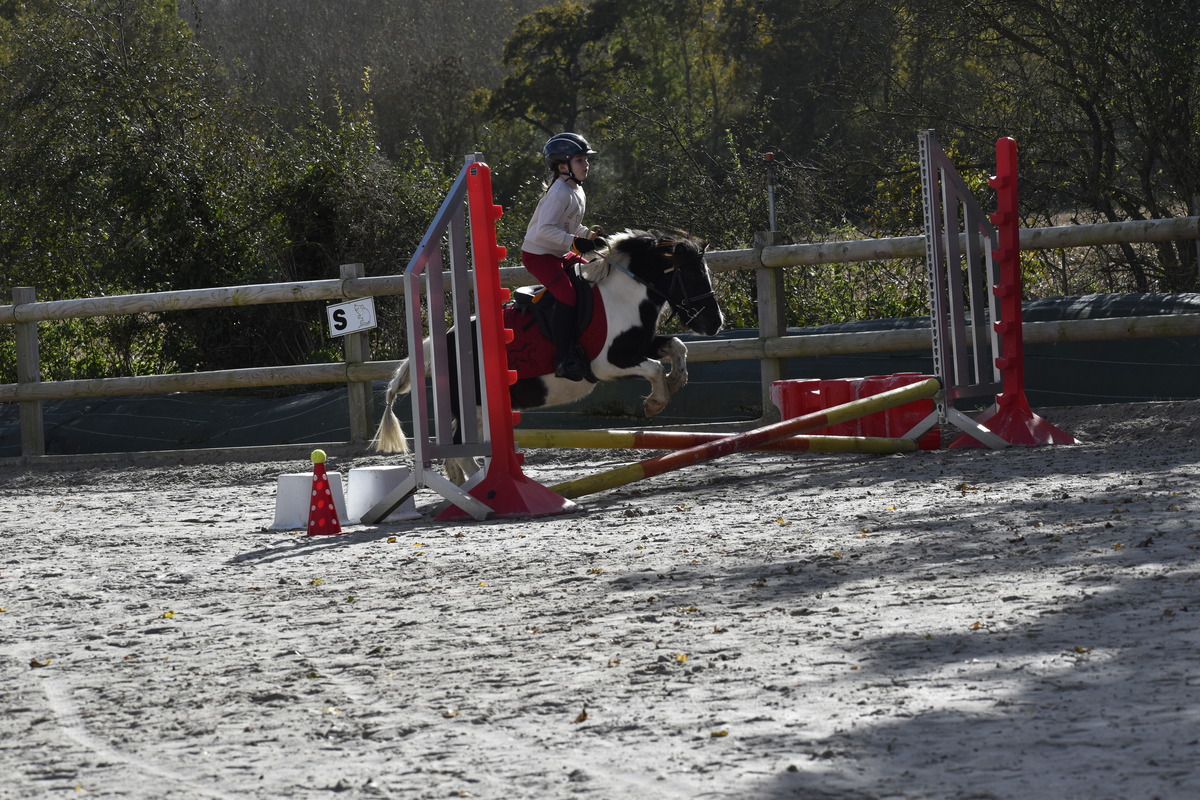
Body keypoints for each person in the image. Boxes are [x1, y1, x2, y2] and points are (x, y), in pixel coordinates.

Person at [521, 132, 607, 381]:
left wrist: (589, 237)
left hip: (557, 252)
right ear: (562, 166)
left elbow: (569, 226)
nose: (586, 164)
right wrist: (573, 242)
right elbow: (542, 231)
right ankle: (563, 357)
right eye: (580, 160)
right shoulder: (559, 193)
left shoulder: (576, 190)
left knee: (593, 274)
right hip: (538, 255)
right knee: (568, 295)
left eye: (586, 160)